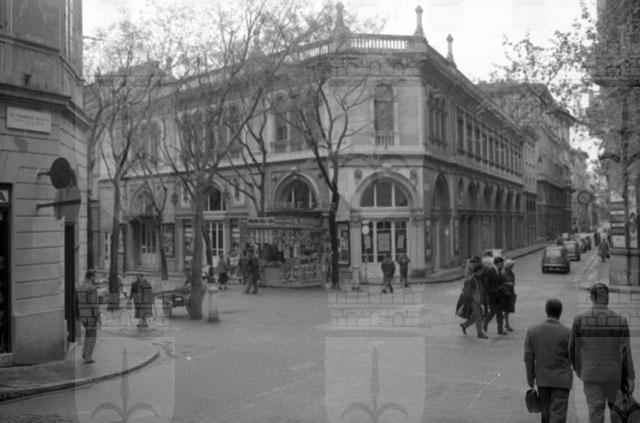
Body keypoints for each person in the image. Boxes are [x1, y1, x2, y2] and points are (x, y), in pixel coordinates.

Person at [569, 283, 635, 423]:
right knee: (616, 411)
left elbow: (572, 348)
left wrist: (579, 369)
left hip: (590, 374)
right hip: (614, 376)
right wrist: (630, 377)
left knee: (595, 411)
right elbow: (625, 351)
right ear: (607, 298)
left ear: (591, 297)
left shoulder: (580, 319)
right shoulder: (620, 320)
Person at [524, 299, 573, 423]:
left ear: (546, 311)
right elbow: (574, 356)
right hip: (562, 379)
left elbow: (528, 357)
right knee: (558, 414)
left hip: (543, 379)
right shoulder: (568, 333)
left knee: (545, 414)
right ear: (560, 312)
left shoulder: (533, 331)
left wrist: (530, 378)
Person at [459, 257, 488, 339]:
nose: (482, 272)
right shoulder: (471, 279)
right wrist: (471, 301)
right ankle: (480, 333)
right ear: (478, 271)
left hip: (477, 300)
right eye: (481, 271)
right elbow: (467, 292)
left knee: (476, 316)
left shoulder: (476, 278)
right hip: (473, 300)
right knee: (478, 316)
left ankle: (465, 325)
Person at [75, 270, 100, 364]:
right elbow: (94, 304)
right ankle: (88, 357)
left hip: (82, 315)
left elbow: (76, 302)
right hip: (90, 315)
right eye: (95, 276)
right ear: (91, 277)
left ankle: (85, 353)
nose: (95, 278)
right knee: (91, 336)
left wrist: (78, 315)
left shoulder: (79, 287)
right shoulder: (92, 288)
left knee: (87, 334)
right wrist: (97, 316)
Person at [482, 256, 507, 335]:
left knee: (499, 312)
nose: (503, 266)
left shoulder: (499, 271)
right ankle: (485, 324)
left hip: (499, 295)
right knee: (493, 311)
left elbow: (500, 281)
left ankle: (500, 329)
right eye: (502, 264)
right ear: (498, 263)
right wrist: (489, 294)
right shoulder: (490, 271)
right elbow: (486, 284)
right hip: (492, 296)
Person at [501, 259, 516, 332]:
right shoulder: (503, 273)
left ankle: (506, 323)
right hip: (505, 293)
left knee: (508, 309)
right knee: (506, 309)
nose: (512, 267)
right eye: (511, 266)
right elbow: (500, 283)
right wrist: (508, 284)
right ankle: (505, 324)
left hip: (510, 292)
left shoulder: (511, 273)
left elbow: (513, 281)